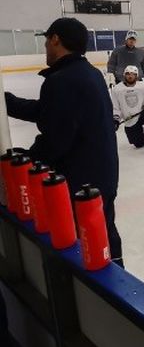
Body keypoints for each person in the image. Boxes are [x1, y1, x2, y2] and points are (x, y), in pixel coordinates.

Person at [4, 17, 123, 266]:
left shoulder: (62, 81)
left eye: (47, 41)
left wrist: (26, 160)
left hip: (78, 181)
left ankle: (103, 294)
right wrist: (8, 102)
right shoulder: (89, 73)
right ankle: (118, 279)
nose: (45, 47)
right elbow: (54, 112)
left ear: (55, 39)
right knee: (104, 237)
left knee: (86, 246)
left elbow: (56, 139)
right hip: (102, 175)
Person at [110, 65, 144, 153]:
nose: (130, 76)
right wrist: (116, 120)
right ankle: (143, 136)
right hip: (130, 119)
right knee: (138, 144)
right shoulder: (117, 89)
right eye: (128, 74)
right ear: (124, 75)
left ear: (137, 76)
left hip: (143, 113)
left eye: (133, 74)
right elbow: (116, 107)